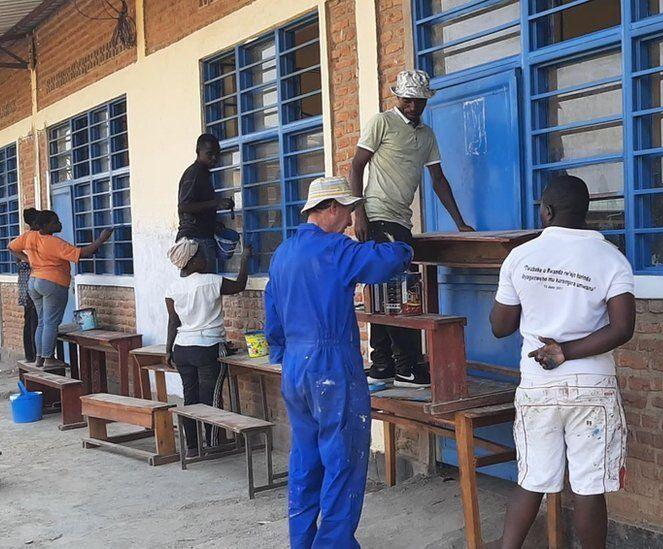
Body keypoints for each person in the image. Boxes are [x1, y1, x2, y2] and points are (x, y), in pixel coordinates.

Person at [264, 176, 412, 549]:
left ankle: (303, 542)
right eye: (347, 211)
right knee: (343, 459)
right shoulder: (336, 249)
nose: (349, 221)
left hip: (295, 366)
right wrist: (406, 247)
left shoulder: (283, 253)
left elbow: (273, 320)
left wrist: (287, 357)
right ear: (330, 208)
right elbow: (382, 262)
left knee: (306, 458)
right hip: (331, 365)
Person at [489, 176, 636, 549]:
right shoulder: (611, 258)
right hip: (592, 388)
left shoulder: (520, 256)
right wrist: (567, 352)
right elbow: (623, 328)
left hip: (538, 386)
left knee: (532, 480)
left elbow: (500, 327)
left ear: (547, 211)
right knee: (588, 487)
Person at [349, 69, 474, 388]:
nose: (412, 107)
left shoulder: (427, 136)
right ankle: (406, 367)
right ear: (398, 98)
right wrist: (358, 212)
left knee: (382, 290)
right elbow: (356, 166)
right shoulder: (382, 122)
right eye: (407, 100)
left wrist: (459, 222)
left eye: (418, 101)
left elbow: (438, 180)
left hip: (400, 220)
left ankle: (383, 366)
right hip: (377, 214)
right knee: (397, 293)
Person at [164, 239, 250, 458]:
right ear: (192, 261)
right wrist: (245, 258)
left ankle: (193, 447)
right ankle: (211, 445)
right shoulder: (212, 281)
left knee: (190, 398)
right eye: (202, 255)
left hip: (182, 348)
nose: (206, 258)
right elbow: (239, 285)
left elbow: (173, 322)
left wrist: (168, 350)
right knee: (210, 397)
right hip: (207, 346)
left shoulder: (172, 288)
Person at [9, 211, 113, 368]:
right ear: (44, 226)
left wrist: (28, 259)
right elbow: (83, 253)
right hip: (52, 282)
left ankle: (39, 359)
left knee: (42, 322)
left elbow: (10, 247)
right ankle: (49, 358)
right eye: (55, 222)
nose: (59, 224)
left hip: (34, 281)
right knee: (51, 322)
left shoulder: (29, 236)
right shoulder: (54, 243)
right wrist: (101, 239)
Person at [177, 133, 234, 273]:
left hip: (201, 236)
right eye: (210, 154)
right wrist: (215, 203)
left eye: (217, 154)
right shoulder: (194, 173)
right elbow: (184, 206)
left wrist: (213, 224)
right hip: (196, 240)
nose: (214, 158)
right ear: (198, 151)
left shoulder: (203, 173)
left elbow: (199, 207)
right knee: (205, 289)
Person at [14, 208, 41, 362]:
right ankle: (34, 354)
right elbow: (13, 251)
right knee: (33, 317)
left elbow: (15, 255)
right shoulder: (29, 237)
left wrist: (25, 258)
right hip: (28, 277)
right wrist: (29, 259)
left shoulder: (26, 237)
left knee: (31, 318)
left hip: (25, 278)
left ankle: (31, 355)